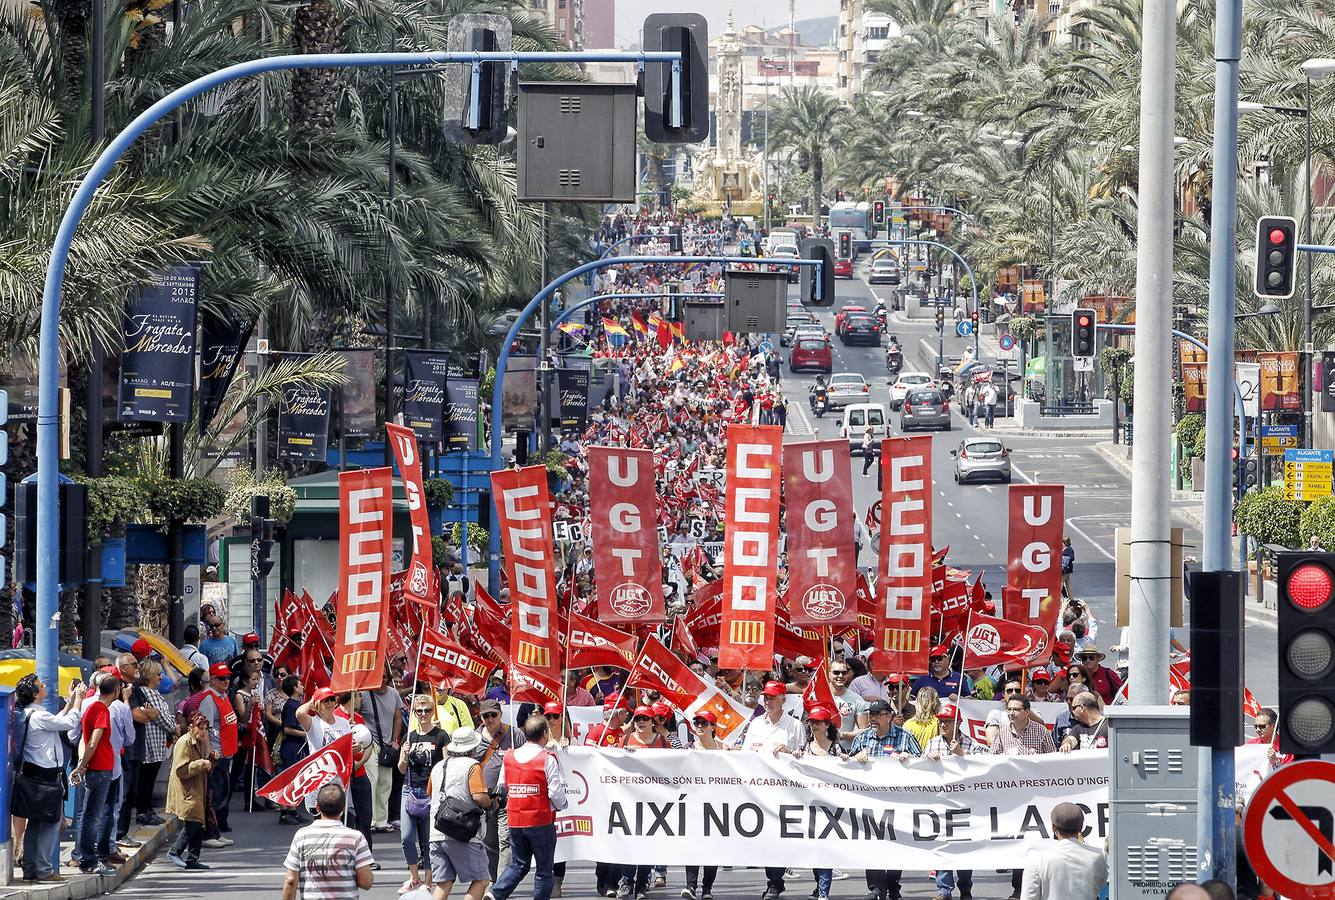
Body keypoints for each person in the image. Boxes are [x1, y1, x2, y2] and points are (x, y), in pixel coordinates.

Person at [489, 715, 568, 900]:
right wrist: (563, 805)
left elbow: (502, 785)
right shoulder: (547, 758)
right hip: (540, 821)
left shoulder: (509, 756)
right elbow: (555, 793)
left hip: (515, 820)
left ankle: (494, 893)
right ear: (545, 734)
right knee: (544, 869)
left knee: (519, 864)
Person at [15, 674, 84, 884]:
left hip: (33, 774)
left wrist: (70, 701)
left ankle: (30, 867)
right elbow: (69, 723)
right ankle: (45, 869)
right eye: (41, 685)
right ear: (36, 694)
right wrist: (79, 700)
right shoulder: (38, 717)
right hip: (46, 776)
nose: (45, 686)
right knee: (50, 823)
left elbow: (57, 720)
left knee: (35, 823)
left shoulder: (28, 714)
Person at [849, 701, 920, 900]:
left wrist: (909, 758)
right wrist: (856, 758)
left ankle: (893, 885)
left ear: (889, 716)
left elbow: (922, 765)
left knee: (895, 844)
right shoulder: (862, 738)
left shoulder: (904, 737)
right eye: (870, 714)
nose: (872, 718)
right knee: (872, 843)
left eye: (877, 714)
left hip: (897, 801)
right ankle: (876, 888)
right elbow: (844, 766)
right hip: (870, 800)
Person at [427, 727, 495, 900]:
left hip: (436, 832)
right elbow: (479, 796)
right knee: (481, 880)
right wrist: (492, 803)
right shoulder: (472, 765)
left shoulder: (438, 766)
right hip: (461, 831)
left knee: (443, 883)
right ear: (472, 748)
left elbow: (431, 793)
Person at [282, 783, 375, 900]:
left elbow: (290, 881)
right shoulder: (356, 838)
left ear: (317, 807)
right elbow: (366, 882)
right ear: (343, 808)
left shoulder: (302, 835)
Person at [72, 672, 123, 875]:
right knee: (93, 817)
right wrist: (83, 765)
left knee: (88, 815)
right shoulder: (101, 710)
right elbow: (93, 742)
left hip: (95, 768)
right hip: (100, 769)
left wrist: (82, 765)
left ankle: (85, 857)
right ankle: (89, 860)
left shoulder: (90, 707)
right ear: (117, 691)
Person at [401, 695, 448, 895]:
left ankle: (428, 881)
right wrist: (404, 754)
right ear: (414, 713)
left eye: (427, 710)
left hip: (431, 792)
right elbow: (401, 769)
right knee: (406, 837)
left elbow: (447, 764)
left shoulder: (441, 735)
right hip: (410, 790)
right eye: (419, 711)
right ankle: (414, 877)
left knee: (429, 841)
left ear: (432, 712)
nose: (423, 714)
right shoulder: (409, 737)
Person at [476, 698, 524, 882]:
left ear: (500, 715)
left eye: (493, 715)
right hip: (484, 797)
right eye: (485, 716)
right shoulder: (475, 737)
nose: (490, 719)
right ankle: (493, 880)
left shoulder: (514, 734)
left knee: (506, 840)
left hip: (508, 796)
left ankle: (502, 884)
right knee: (488, 842)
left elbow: (525, 759)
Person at [1018, 802, 1107, 899]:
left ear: (1053, 828)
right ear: (1081, 827)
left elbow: (1029, 897)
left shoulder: (1037, 861)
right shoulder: (1099, 856)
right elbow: (1102, 883)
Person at [165, 714, 215, 870]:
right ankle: (175, 851)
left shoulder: (198, 742)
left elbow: (203, 767)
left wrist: (211, 759)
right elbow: (181, 770)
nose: (203, 732)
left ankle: (193, 858)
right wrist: (202, 763)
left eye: (205, 729)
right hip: (186, 789)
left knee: (198, 822)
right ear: (191, 727)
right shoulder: (184, 742)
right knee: (193, 822)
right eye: (200, 728)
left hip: (197, 788)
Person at [197, 661, 238, 847]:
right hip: (215, 755)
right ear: (212, 680)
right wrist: (208, 754)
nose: (226, 681)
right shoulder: (208, 699)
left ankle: (216, 831)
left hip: (225, 753)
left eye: (228, 678)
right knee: (213, 795)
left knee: (221, 794)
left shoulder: (223, 696)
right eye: (222, 678)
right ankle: (209, 834)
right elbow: (203, 729)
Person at [362, 667, 404, 834]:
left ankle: (381, 820)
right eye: (379, 677)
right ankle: (370, 819)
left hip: (387, 745)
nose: (383, 680)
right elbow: (356, 715)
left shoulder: (394, 694)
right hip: (370, 744)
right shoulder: (364, 694)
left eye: (385, 677)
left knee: (386, 782)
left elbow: (398, 718)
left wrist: (395, 740)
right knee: (372, 779)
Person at [135, 660, 176, 827]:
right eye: (158, 674)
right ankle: (145, 811)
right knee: (147, 779)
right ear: (150, 676)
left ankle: (145, 810)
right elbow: (163, 719)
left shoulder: (150, 692)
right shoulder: (149, 693)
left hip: (153, 742)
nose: (161, 678)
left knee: (146, 779)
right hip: (151, 743)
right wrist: (173, 726)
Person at [829, 661, 870, 750]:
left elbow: (864, 731)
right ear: (828, 673)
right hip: (820, 753)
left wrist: (842, 735)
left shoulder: (857, 699)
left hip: (846, 753)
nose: (840, 676)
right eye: (836, 672)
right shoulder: (816, 696)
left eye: (844, 673)